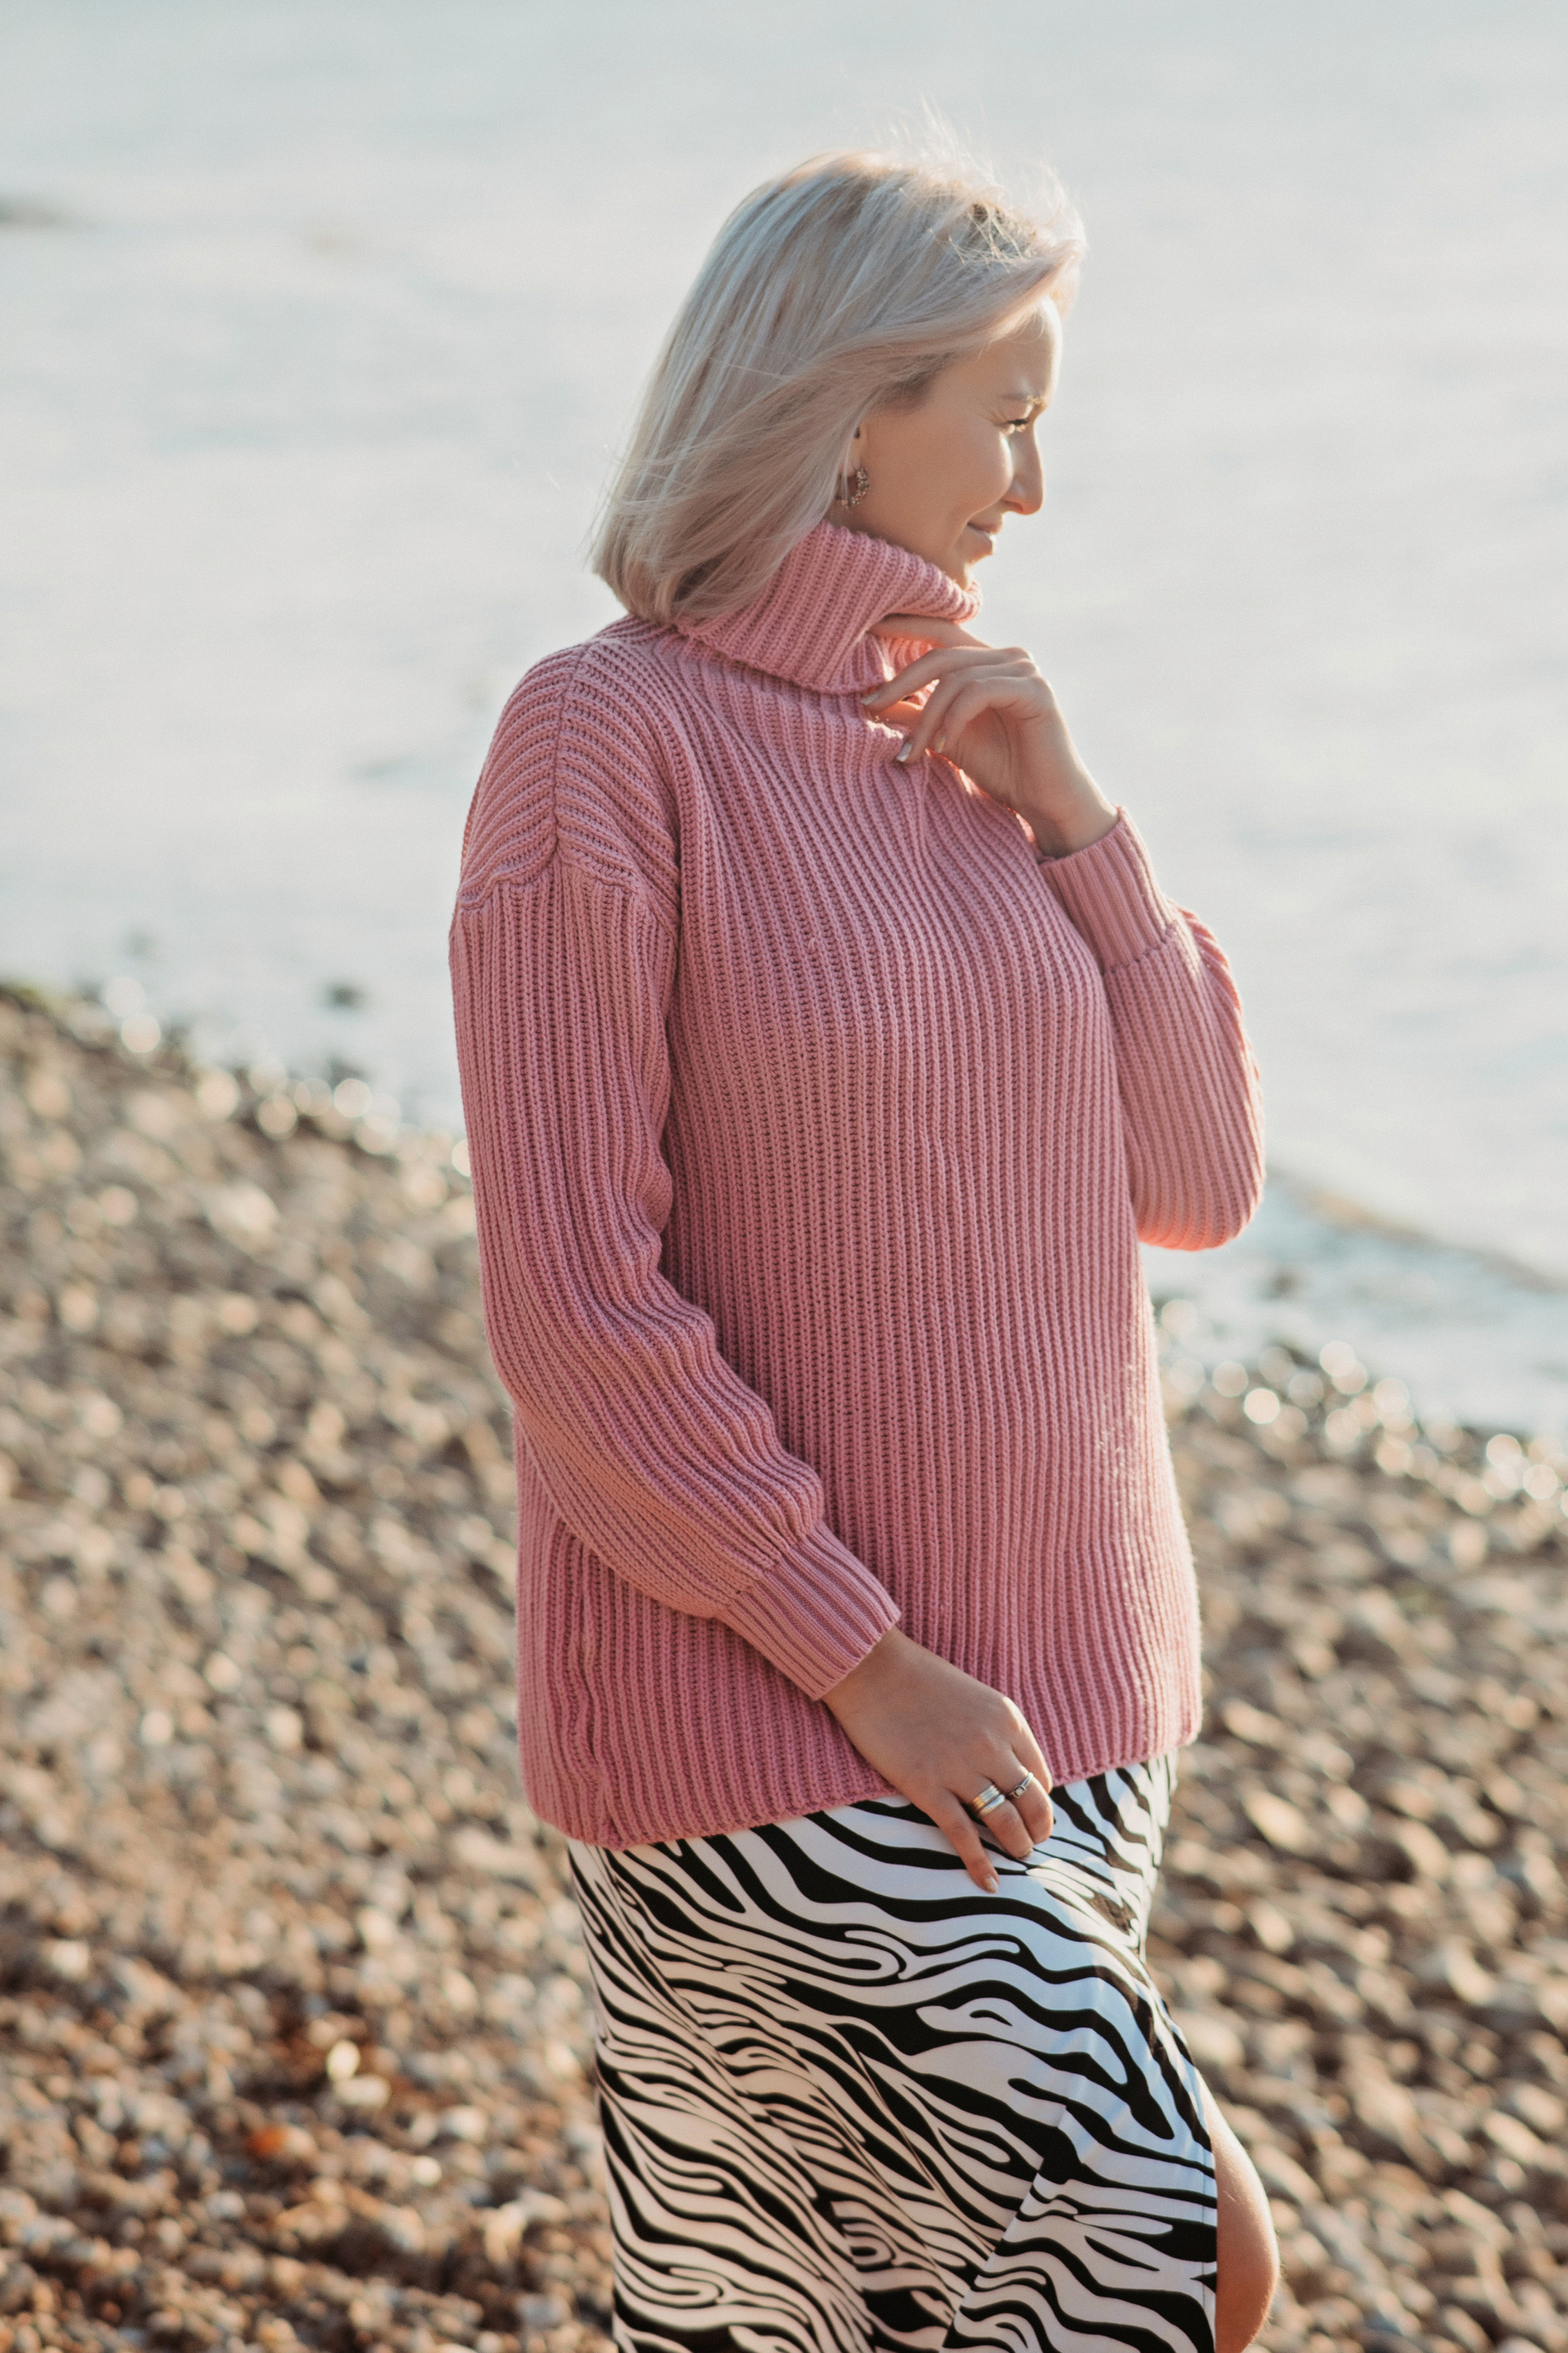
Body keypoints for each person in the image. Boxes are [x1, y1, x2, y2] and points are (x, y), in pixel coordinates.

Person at [450, 146, 1279, 2352]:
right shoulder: (603, 744)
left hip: (1077, 1711)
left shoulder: (981, 737)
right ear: (843, 402)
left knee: (832, 2323)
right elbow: (573, 1302)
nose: (1034, 471)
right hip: (773, 1723)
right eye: (1002, 405)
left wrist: (1087, 829)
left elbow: (1199, 1175)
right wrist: (862, 1649)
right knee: (1181, 2252)